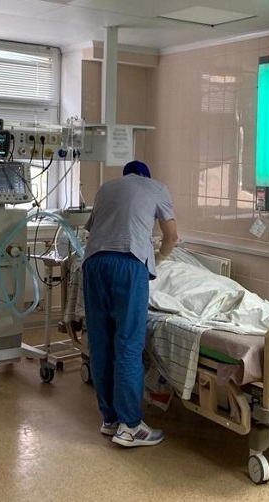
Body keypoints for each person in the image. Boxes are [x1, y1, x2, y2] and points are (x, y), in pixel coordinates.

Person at [82, 160, 178, 448]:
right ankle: (131, 427)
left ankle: (110, 420)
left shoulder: (106, 188)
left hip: (93, 263)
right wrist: (159, 258)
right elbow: (172, 236)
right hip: (128, 263)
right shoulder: (157, 188)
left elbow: (93, 228)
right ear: (146, 176)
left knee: (100, 343)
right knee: (127, 344)